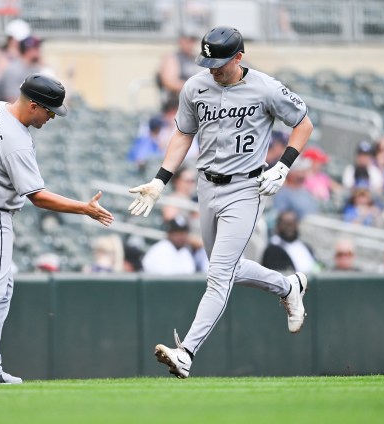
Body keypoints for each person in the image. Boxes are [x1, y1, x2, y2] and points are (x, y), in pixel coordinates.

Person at [127, 26, 313, 378]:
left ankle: (186, 353)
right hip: (206, 187)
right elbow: (183, 133)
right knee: (227, 268)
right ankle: (289, 286)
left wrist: (283, 166)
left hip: (245, 188)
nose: (213, 68)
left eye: (221, 63)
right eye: (209, 61)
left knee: (218, 275)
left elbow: (304, 124)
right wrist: (159, 180)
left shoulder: (266, 87)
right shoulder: (196, 86)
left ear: (239, 57)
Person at [0, 73, 113, 386]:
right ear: (32, 105)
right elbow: (38, 197)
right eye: (48, 110)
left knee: (1, 288)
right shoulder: (17, 142)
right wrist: (83, 208)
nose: (51, 117)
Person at [0, 36, 55, 102]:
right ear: (28, 50)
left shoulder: (35, 68)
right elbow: (12, 99)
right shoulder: (14, 69)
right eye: (36, 48)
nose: (39, 50)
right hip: (6, 109)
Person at [261, 210, 320, 275]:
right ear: (278, 226)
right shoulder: (272, 250)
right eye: (286, 224)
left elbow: (317, 267)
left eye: (292, 223)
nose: (290, 228)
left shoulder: (306, 246)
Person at [156, 30, 203, 109]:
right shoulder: (172, 58)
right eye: (188, 41)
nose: (191, 44)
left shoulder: (198, 58)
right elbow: (169, 82)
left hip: (197, 101)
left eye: (193, 41)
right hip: (175, 103)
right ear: (181, 41)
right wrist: (195, 87)